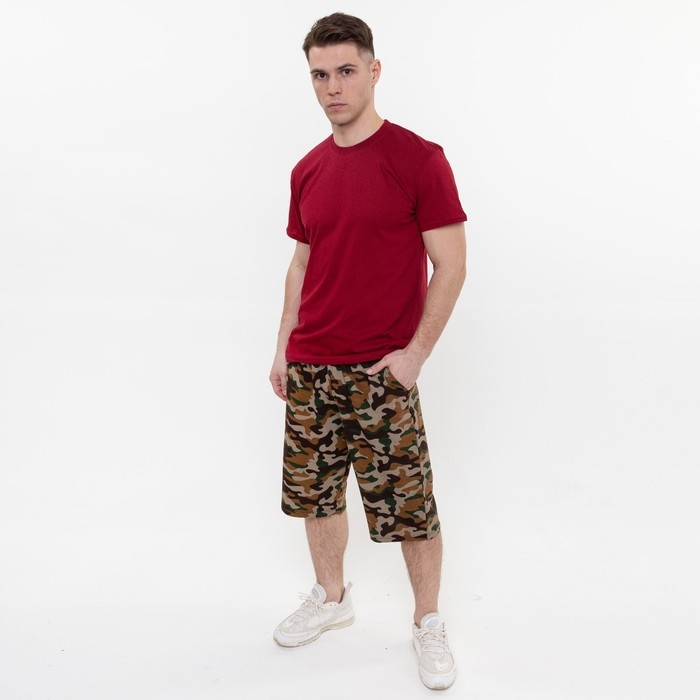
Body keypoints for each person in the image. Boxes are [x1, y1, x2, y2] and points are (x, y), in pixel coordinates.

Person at [268, 12, 467, 691]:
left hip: (382, 371)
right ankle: (332, 599)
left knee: (410, 506)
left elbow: (452, 265)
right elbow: (301, 264)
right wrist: (283, 347)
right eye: (320, 75)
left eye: (346, 71)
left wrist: (415, 355)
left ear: (374, 71)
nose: (333, 87)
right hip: (312, 366)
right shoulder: (307, 169)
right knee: (316, 495)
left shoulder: (419, 159)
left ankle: (428, 620)